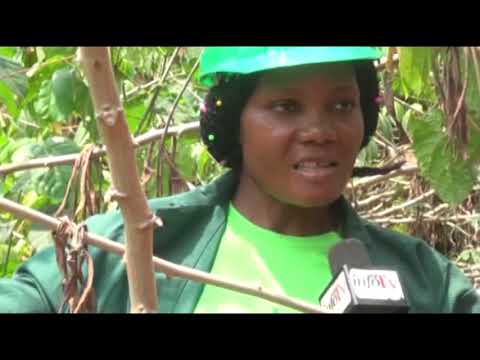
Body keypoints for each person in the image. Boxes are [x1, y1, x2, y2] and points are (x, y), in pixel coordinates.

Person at [0, 47, 479, 313]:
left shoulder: (424, 280)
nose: (319, 131)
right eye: (285, 107)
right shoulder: (135, 245)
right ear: (231, 125)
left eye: (341, 105)